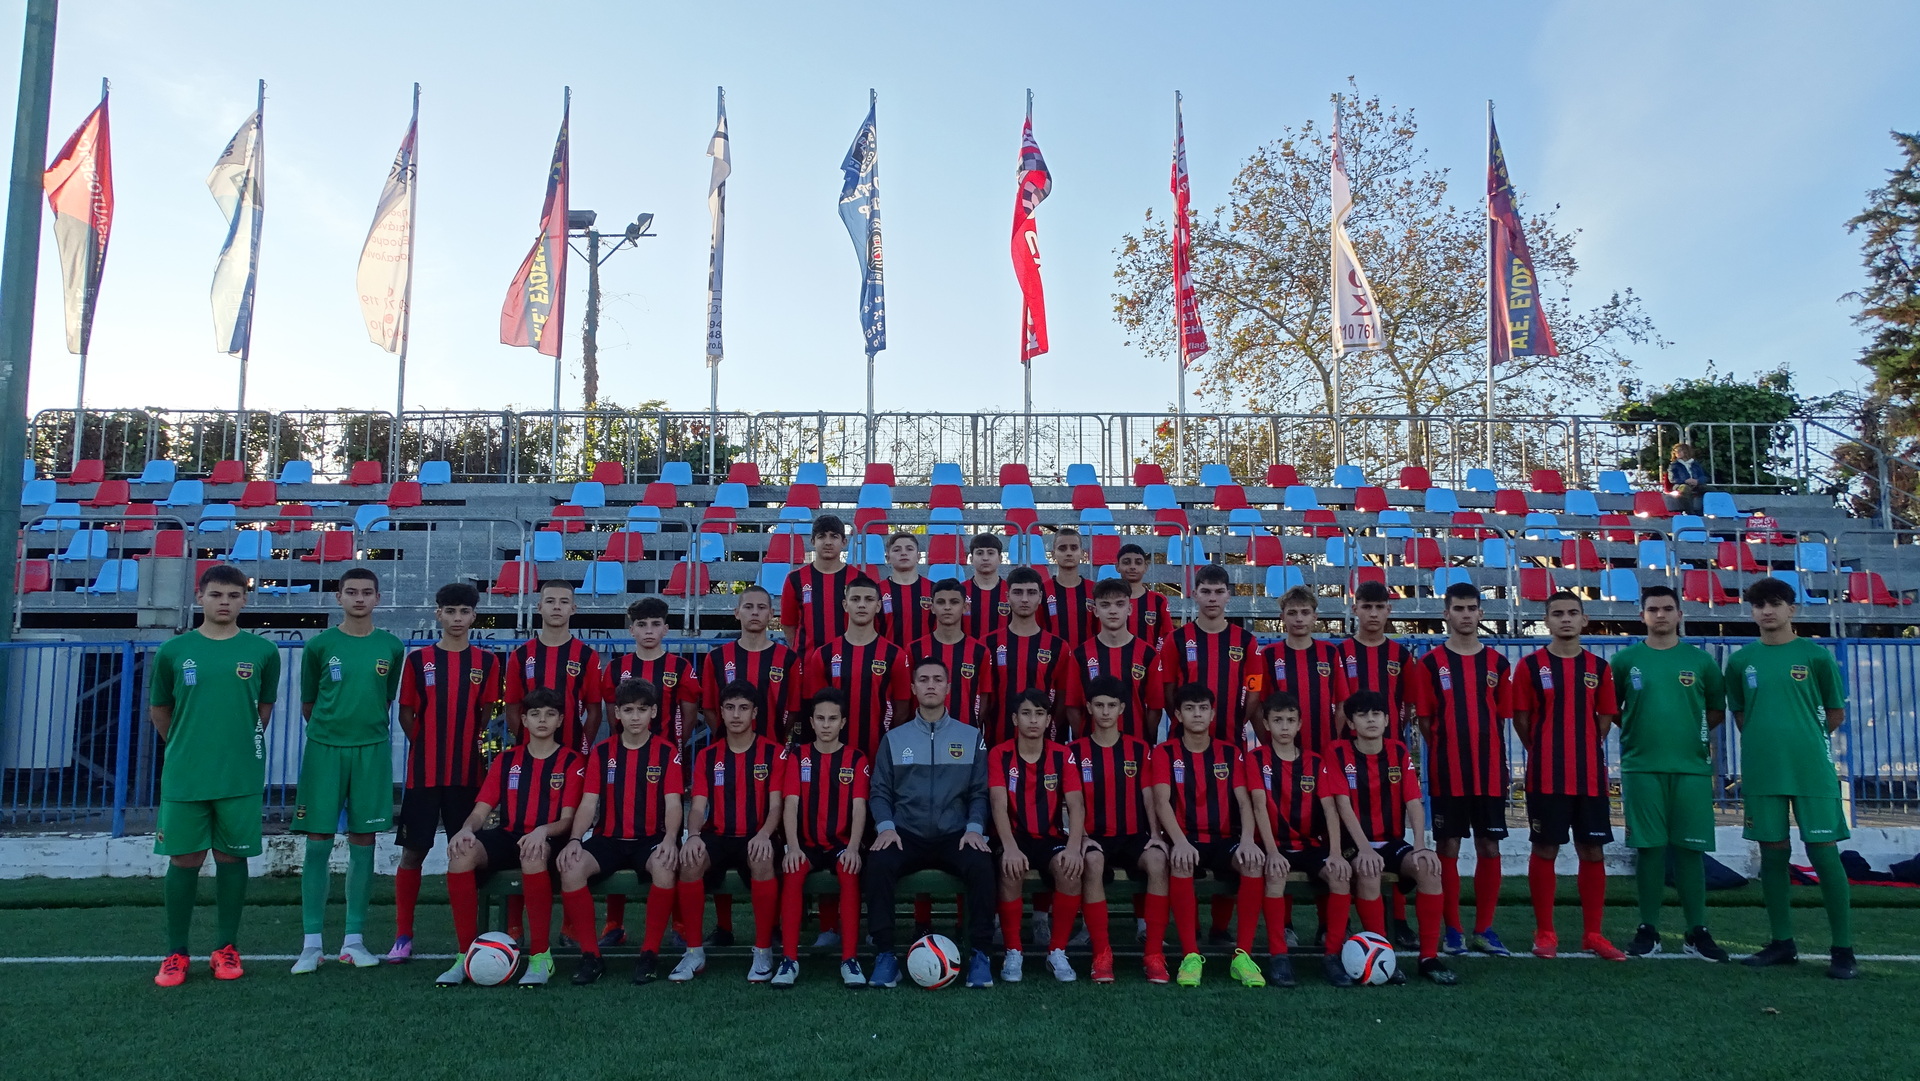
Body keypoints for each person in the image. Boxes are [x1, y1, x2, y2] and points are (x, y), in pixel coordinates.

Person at [147, 564, 282, 988]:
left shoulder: (263, 651)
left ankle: (226, 948)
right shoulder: (174, 651)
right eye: (217, 594)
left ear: (245, 600)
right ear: (199, 597)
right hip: (186, 775)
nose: (225, 602)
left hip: (239, 775)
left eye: (233, 595)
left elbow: (262, 709)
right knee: (184, 859)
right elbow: (160, 709)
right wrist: (186, 745)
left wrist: (237, 745)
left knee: (231, 858)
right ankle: (176, 952)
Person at [1726, 577, 1855, 979]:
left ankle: (1843, 949)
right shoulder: (1741, 661)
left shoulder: (1815, 656)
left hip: (1810, 769)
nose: (1767, 611)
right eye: (1759, 605)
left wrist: (1801, 740)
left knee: (1824, 853)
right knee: (1772, 853)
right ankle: (1782, 942)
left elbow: (1834, 712)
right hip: (1763, 769)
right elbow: (1741, 714)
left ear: (1791, 609)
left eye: (1775, 603)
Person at [291, 567, 406, 973]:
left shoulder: (391, 646)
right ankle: (311, 944)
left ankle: (353, 940)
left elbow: (385, 699)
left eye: (367, 592)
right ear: (338, 597)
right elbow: (309, 703)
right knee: (318, 842)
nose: (359, 598)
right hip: (325, 750)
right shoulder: (320, 645)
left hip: (371, 751)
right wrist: (333, 731)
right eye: (351, 592)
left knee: (364, 840)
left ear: (378, 598)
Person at [1610, 585, 1731, 962]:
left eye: (1667, 608)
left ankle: (1697, 930)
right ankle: (1648, 928)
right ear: (1642, 616)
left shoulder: (1701, 661)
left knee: (1690, 850)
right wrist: (1638, 734)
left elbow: (1715, 710)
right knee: (1649, 849)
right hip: (1641, 767)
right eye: (1653, 609)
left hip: (1691, 769)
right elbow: (1612, 709)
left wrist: (1692, 737)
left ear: (1680, 614)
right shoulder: (1625, 660)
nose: (1660, 615)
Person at [863, 657, 999, 990]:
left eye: (938, 680)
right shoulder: (895, 738)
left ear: (949, 687)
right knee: (878, 863)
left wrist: (974, 828)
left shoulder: (971, 737)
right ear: (913, 688)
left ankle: (980, 954)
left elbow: (980, 793)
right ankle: (885, 955)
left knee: (982, 865)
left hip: (955, 834)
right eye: (923, 680)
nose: (931, 685)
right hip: (906, 833)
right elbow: (879, 792)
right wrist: (886, 827)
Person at [435, 687, 584, 986]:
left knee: (532, 852)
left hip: (549, 839)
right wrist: (466, 829)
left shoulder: (572, 761)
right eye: (535, 714)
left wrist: (542, 830)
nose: (542, 720)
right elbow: (480, 811)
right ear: (524, 720)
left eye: (550, 714)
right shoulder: (506, 761)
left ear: (560, 720)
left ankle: (541, 957)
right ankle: (465, 955)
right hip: (509, 835)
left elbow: (568, 821)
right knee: (462, 854)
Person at [388, 582, 500, 964]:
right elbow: (406, 714)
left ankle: (470, 938)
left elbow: (486, 713)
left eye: (464, 612)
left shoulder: (487, 662)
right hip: (424, 774)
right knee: (413, 853)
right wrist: (426, 745)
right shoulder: (419, 660)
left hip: (467, 775)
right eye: (450, 611)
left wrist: (464, 744)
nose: (457, 618)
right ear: (438, 614)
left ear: (474, 616)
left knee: (467, 853)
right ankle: (403, 935)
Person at [1509, 591, 1624, 960]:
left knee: (1592, 850)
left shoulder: (1599, 668)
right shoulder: (1530, 666)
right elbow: (1522, 721)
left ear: (1584, 619)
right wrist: (1544, 748)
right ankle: (1545, 932)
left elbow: (1604, 720)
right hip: (1546, 774)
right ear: (1546, 621)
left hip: (1590, 776)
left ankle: (1593, 934)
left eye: (1573, 613)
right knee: (1545, 848)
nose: (1566, 619)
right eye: (1557, 613)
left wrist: (1582, 747)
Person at [1406, 582, 1513, 957]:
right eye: (1458, 608)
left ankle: (1485, 928)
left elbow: (1501, 715)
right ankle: (1453, 929)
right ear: (1446, 614)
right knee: (1448, 845)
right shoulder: (1430, 663)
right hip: (1448, 769)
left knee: (1489, 844)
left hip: (1490, 771)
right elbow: (1425, 720)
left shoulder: (1498, 663)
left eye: (1471, 608)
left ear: (1481, 613)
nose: (1466, 615)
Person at [1322, 691, 1456, 985]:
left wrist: (1420, 846)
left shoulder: (1398, 751)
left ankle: (1428, 958)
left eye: (1377, 714)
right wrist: (1364, 849)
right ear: (1351, 723)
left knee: (1429, 868)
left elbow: (1413, 801)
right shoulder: (1338, 751)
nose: (1370, 720)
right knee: (1370, 871)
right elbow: (1342, 805)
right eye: (1362, 715)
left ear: (1386, 720)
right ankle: (1384, 955)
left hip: (1392, 842)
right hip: (1353, 844)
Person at [557, 678, 683, 986]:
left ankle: (649, 954)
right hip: (609, 839)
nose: (635, 716)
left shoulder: (667, 752)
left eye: (642, 709)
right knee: (571, 868)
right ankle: (591, 956)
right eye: (628, 710)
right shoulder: (602, 752)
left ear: (653, 712)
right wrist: (574, 839)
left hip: (650, 839)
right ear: (617, 713)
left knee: (665, 867)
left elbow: (673, 804)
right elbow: (588, 804)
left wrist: (670, 839)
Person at [1151, 683, 1262, 988]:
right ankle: (1190, 954)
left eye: (1203, 708)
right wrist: (1179, 841)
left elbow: (1244, 801)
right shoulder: (1164, 752)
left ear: (1213, 714)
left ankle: (1242, 956)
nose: (1197, 714)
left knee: (1253, 863)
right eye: (1190, 708)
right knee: (1180, 862)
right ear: (1177, 715)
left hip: (1224, 838)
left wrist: (1248, 840)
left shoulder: (1230, 752)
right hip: (1185, 836)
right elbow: (1161, 802)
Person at [674, 680, 784, 983]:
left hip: (757, 833)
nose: (736, 715)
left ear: (755, 713)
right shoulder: (708, 756)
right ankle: (694, 952)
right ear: (720, 712)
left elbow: (776, 806)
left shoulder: (773, 753)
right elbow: (698, 807)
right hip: (719, 835)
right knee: (690, 861)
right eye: (730, 708)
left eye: (743, 708)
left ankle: (763, 951)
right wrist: (693, 835)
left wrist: (764, 834)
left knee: (762, 858)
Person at [1069, 674, 1166, 984]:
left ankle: (1153, 953)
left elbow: (1149, 796)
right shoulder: (1074, 751)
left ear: (1122, 708)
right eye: (1099, 705)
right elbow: (1071, 802)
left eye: (1112, 705)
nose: (1105, 712)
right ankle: (1101, 952)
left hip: (1133, 835)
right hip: (1094, 836)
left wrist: (1155, 835)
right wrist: (1081, 837)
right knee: (1092, 861)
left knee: (1158, 861)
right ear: (1088, 707)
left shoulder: (1139, 749)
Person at [1338, 577, 1418, 946]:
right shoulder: (1341, 652)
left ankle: (1397, 918)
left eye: (1379, 607)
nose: (1372, 613)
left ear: (1389, 610)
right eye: (1366, 606)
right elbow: (1338, 705)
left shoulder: (1401, 655)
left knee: (1392, 833)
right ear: (1354, 609)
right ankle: (1339, 920)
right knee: (1347, 839)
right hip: (1349, 757)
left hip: (1390, 759)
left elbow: (1409, 705)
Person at [989, 689, 1086, 983]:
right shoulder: (999, 754)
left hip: (1050, 836)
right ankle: (1013, 950)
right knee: (1011, 868)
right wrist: (1009, 847)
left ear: (1048, 720)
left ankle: (1056, 951)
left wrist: (1073, 848)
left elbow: (1076, 805)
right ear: (1015, 719)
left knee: (1070, 871)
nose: (1033, 720)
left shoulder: (1062, 755)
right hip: (1013, 836)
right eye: (1027, 713)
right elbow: (998, 804)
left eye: (1040, 714)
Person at [775, 690, 871, 988]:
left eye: (832, 718)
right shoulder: (798, 756)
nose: (826, 724)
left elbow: (859, 807)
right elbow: (790, 804)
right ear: (812, 722)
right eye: (820, 718)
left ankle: (849, 959)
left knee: (849, 871)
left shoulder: (856, 758)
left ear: (843, 722)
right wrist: (792, 847)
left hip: (841, 844)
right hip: (806, 844)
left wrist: (853, 848)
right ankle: (789, 960)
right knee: (792, 872)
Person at [1240, 691, 1331, 988]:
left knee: (1339, 874)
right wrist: (1271, 851)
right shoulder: (1255, 759)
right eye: (1277, 720)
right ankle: (1279, 955)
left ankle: (1333, 954)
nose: (1284, 726)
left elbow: (1331, 808)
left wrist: (1336, 853)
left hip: (1309, 844)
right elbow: (1258, 805)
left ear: (1300, 724)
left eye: (1290, 720)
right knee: (1276, 874)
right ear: (1266, 724)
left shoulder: (1315, 762)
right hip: (1274, 844)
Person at [801, 577, 913, 756]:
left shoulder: (895, 655)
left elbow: (902, 709)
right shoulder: (823, 654)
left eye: (869, 599)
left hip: (879, 751)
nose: (862, 605)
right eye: (855, 599)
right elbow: (819, 708)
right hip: (834, 754)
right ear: (845, 605)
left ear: (878, 606)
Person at [504, 579, 606, 756]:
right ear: (539, 607)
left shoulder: (587, 656)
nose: (557, 607)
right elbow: (512, 708)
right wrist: (527, 740)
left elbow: (594, 711)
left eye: (564, 602)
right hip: (530, 754)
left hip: (572, 750)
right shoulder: (520, 655)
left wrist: (581, 749)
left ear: (573, 609)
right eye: (550, 601)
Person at [1064, 577, 1163, 742]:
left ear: (1130, 608)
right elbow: (1073, 707)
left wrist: (1143, 742)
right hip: (1091, 749)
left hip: (1135, 747)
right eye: (1105, 605)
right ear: (1095, 610)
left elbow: (1155, 708)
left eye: (1119, 604)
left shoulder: (1148, 654)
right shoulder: (1080, 654)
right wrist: (1086, 741)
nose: (1113, 611)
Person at [700, 584, 801, 744]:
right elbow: (709, 709)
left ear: (771, 614)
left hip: (772, 749)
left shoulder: (788, 659)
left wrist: (776, 740)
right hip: (729, 750)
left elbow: (793, 710)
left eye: (761, 607)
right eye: (748, 607)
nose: (755, 612)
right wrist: (726, 740)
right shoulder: (716, 658)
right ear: (737, 613)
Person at [1260, 585, 1350, 756]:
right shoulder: (1269, 654)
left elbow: (1342, 703)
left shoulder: (1329, 652)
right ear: (1282, 617)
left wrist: (1332, 739)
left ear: (1314, 617)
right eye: (1292, 613)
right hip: (1281, 752)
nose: (1299, 619)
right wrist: (1268, 741)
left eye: (1305, 612)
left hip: (1323, 749)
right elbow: (1259, 705)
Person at [985, 566, 1070, 745]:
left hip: (1044, 744)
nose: (1024, 599)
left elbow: (1062, 700)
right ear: (1007, 596)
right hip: (998, 741)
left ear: (1040, 597)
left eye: (1031, 592)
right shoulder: (988, 644)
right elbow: (984, 699)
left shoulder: (1058, 646)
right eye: (1018, 592)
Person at [607, 597, 702, 750]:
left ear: (665, 629)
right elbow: (613, 717)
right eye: (642, 624)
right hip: (625, 751)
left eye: (656, 624)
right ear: (632, 630)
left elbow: (690, 717)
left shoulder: (680, 667)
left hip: (667, 753)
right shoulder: (615, 667)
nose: (649, 631)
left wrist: (672, 747)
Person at [781, 513, 867, 664]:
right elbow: (789, 624)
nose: (828, 542)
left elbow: (868, 622)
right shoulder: (795, 579)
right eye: (822, 536)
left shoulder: (859, 579)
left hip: (850, 661)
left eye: (834, 536)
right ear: (813, 541)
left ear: (844, 542)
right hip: (807, 662)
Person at [913, 578, 993, 727]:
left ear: (965, 607)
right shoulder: (914, 649)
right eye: (941, 602)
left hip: (965, 732)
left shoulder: (980, 651)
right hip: (923, 732)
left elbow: (984, 698)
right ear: (932, 607)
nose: (947, 607)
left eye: (954, 602)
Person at [1039, 526, 1096, 650]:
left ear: (1082, 553)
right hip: (1052, 656)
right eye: (1062, 548)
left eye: (1074, 548)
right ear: (1053, 554)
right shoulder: (1042, 590)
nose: (1069, 553)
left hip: (1087, 657)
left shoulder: (1094, 590)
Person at [877, 531, 936, 651]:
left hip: (926, 657)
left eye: (909, 549)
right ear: (888, 558)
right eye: (897, 550)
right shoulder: (877, 591)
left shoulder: (933, 590)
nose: (903, 553)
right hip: (888, 656)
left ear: (918, 557)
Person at [1115, 542, 1171, 651]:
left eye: (1138, 562)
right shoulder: (1109, 601)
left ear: (1145, 567)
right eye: (1126, 562)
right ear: (1117, 567)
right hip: (1115, 660)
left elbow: (1167, 635)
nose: (1132, 567)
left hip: (1149, 660)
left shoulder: (1158, 600)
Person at [963, 533, 1010, 639]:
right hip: (968, 649)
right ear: (971, 559)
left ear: (1000, 558)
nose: (985, 558)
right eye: (979, 553)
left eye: (990, 553)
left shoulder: (1011, 591)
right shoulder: (960, 591)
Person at [1665, 443, 1707, 513]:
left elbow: (1703, 476)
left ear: (1686, 451)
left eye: (1679, 451)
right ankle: (1690, 512)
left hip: (1695, 484)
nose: (1677, 453)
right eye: (1675, 451)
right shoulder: (1674, 465)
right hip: (1679, 485)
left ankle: (1707, 511)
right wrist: (1685, 481)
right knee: (1685, 488)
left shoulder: (1695, 464)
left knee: (1710, 489)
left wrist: (1697, 481)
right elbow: (1672, 479)